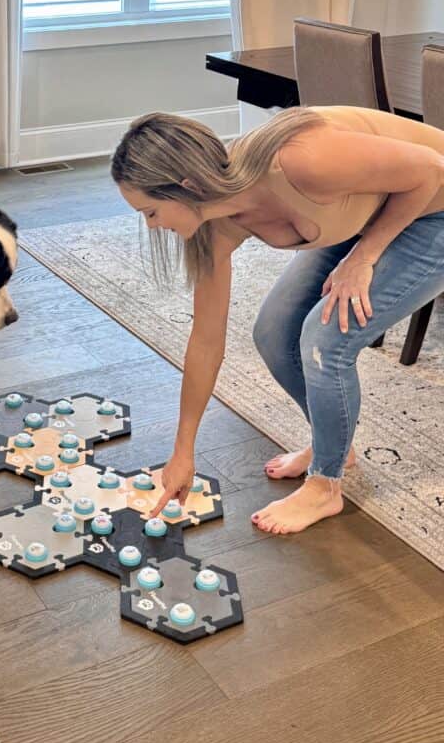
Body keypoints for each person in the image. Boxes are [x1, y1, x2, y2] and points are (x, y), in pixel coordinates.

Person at [111, 105, 444, 535]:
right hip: (367, 209)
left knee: (324, 341)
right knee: (272, 333)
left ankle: (325, 486)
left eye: (151, 212)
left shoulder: (300, 161)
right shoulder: (215, 227)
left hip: (435, 207)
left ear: (186, 186)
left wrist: (363, 258)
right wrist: (183, 453)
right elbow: (206, 340)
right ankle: (335, 448)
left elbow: (433, 171)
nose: (153, 227)